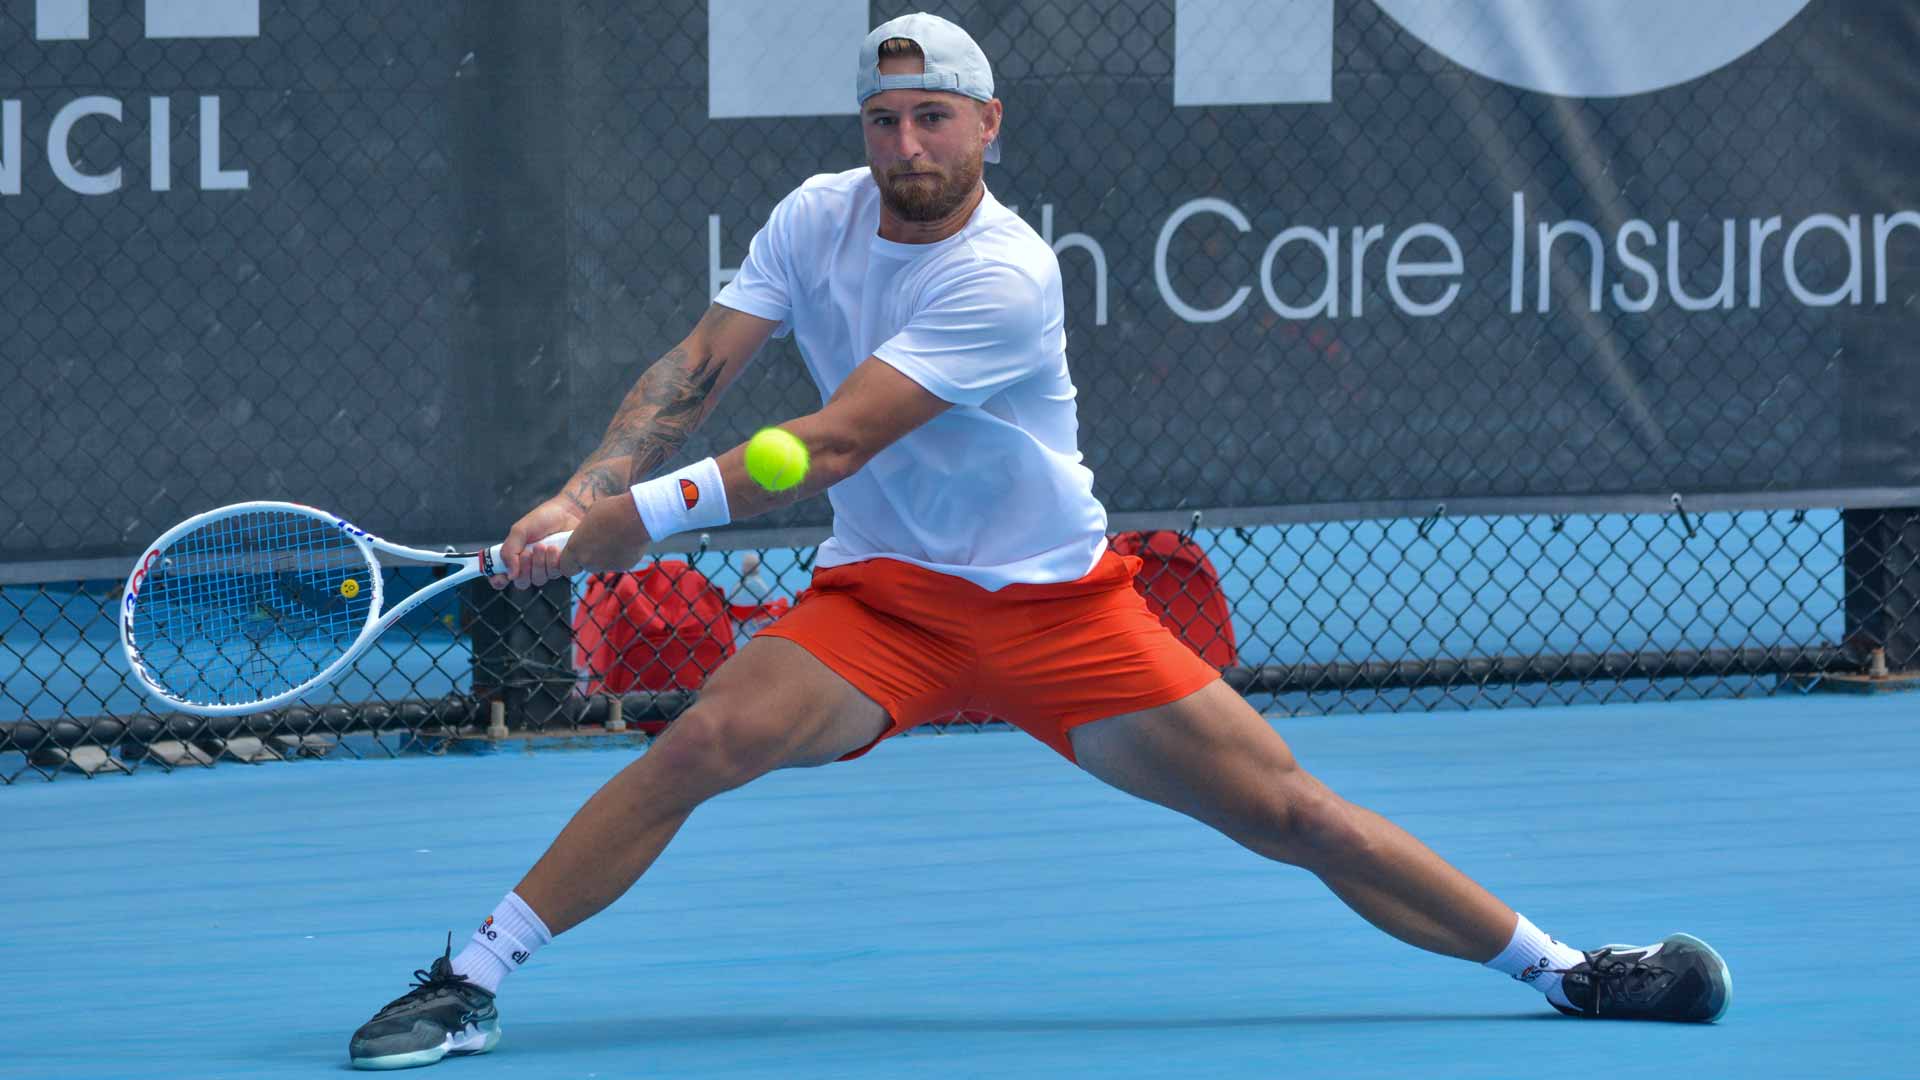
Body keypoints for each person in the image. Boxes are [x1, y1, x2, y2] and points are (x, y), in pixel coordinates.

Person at [347, 12, 1731, 1070]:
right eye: (885, 121)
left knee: (1294, 814)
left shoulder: (1004, 273)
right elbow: (703, 363)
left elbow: (819, 447)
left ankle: (1570, 971)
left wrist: (606, 533)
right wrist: (589, 480)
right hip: (880, 606)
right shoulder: (813, 217)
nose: (906, 148)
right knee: (703, 742)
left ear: (987, 124)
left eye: (933, 120)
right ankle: (473, 977)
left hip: (1055, 611)